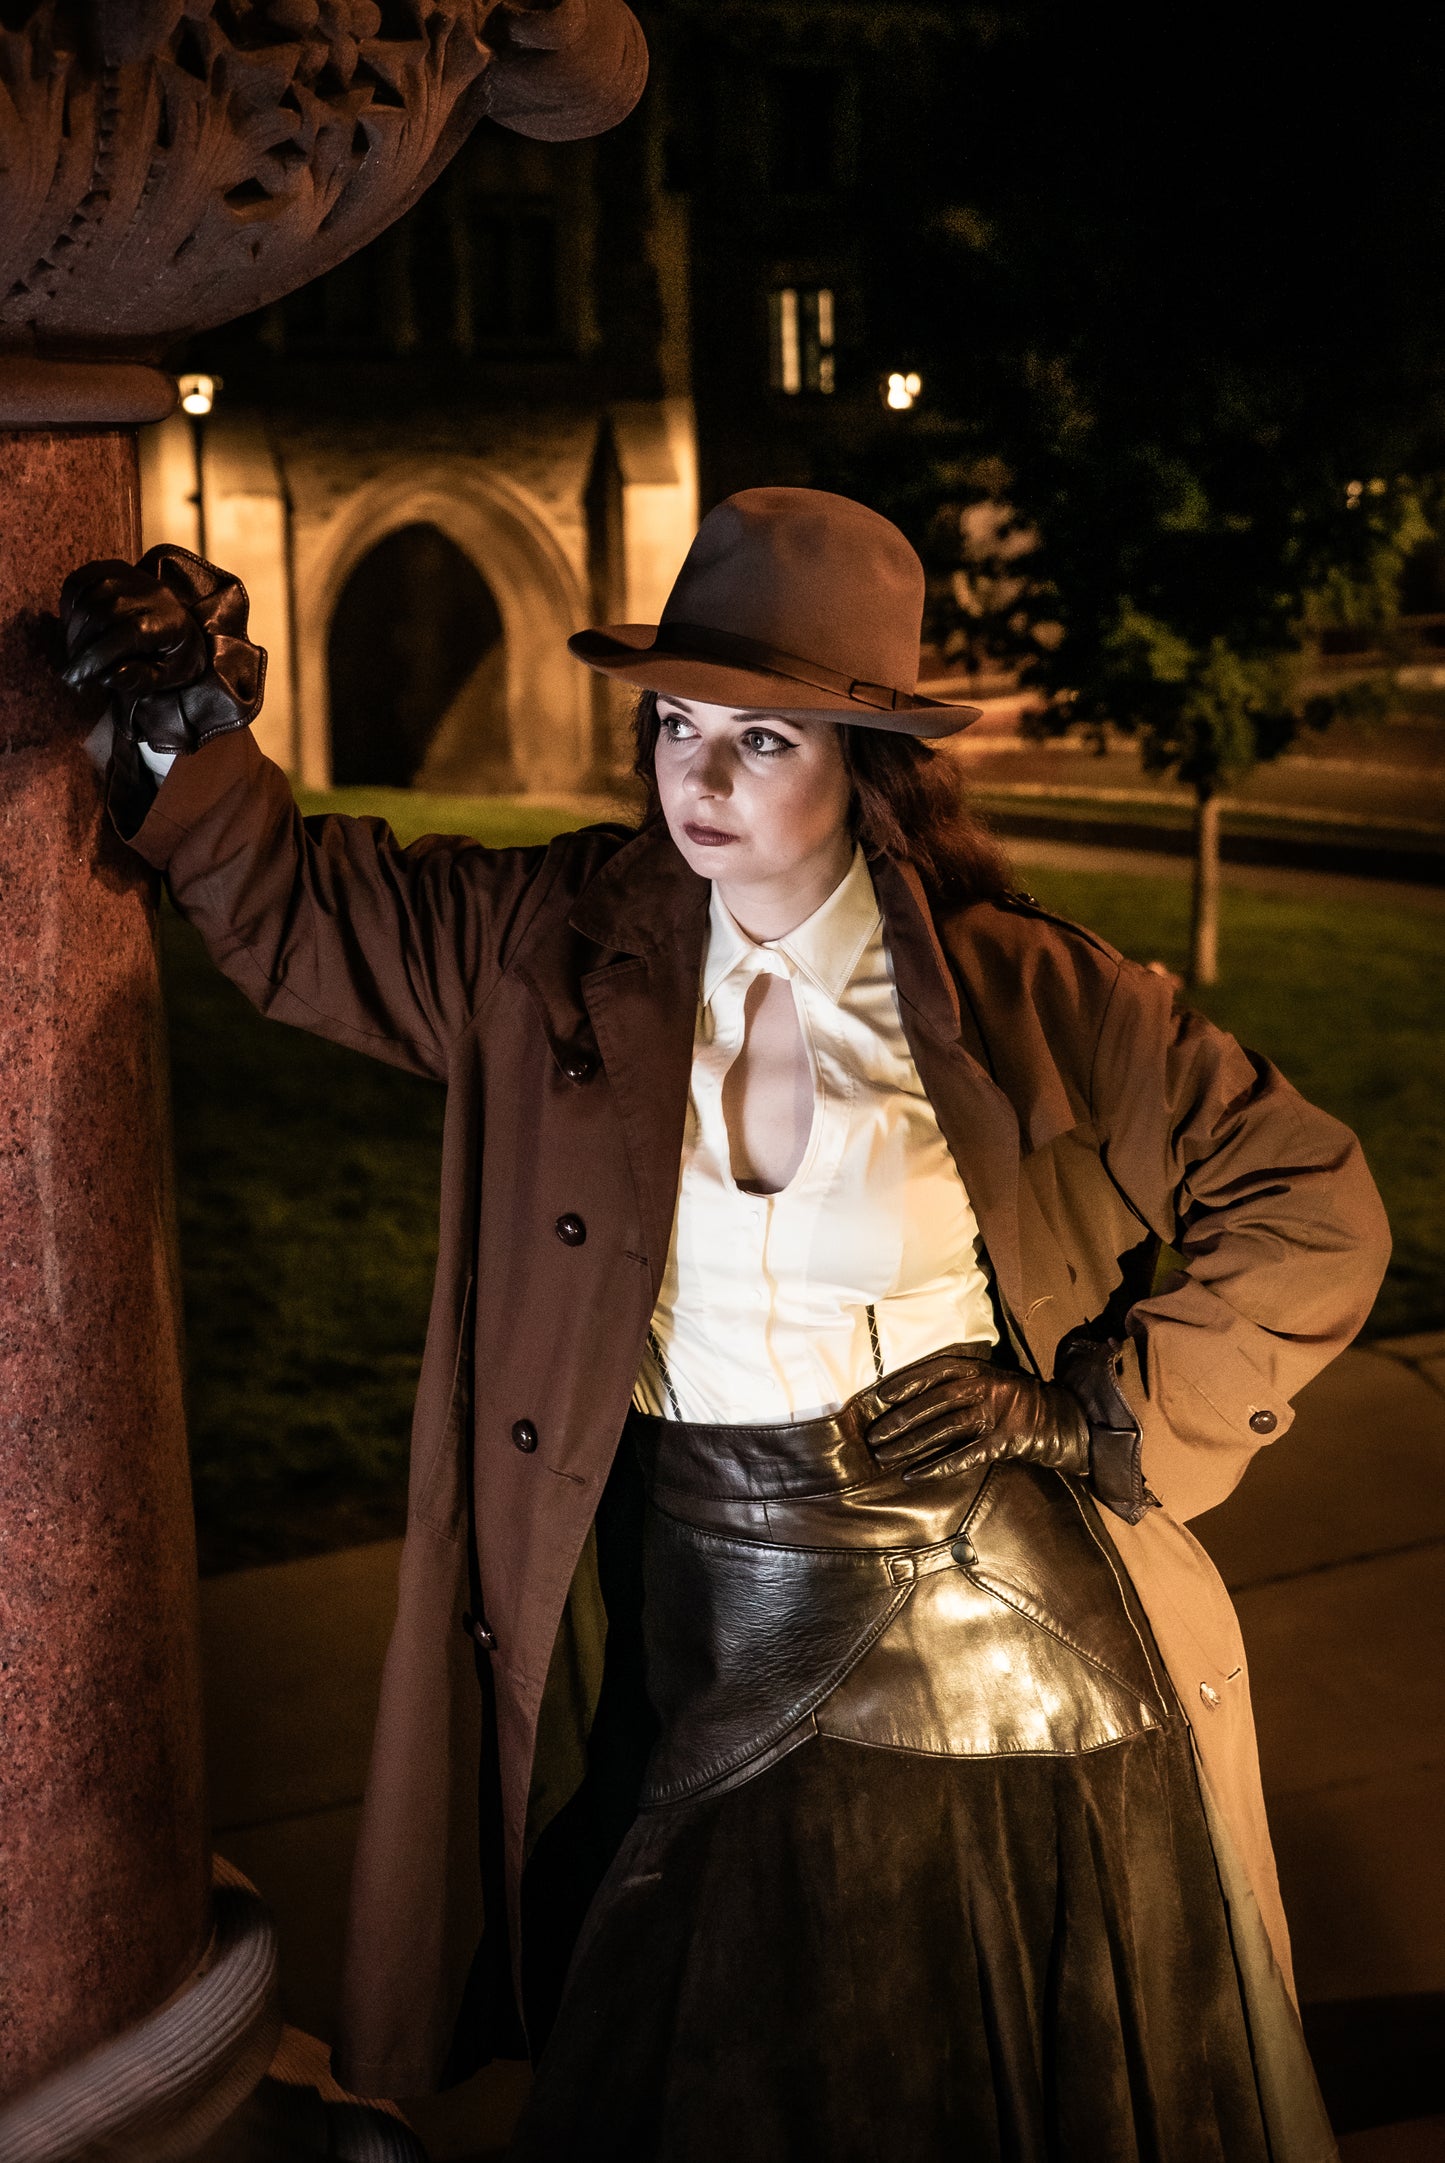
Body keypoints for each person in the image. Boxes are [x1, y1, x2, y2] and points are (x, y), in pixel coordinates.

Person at [57, 487, 1387, 2161]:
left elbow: (1312, 1199)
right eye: (676, 723)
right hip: (696, 1603)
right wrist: (187, 742)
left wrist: (1095, 1413)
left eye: (759, 738)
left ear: (864, 758)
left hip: (980, 1638)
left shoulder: (1022, 993)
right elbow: (311, 913)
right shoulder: (550, 946)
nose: (696, 775)